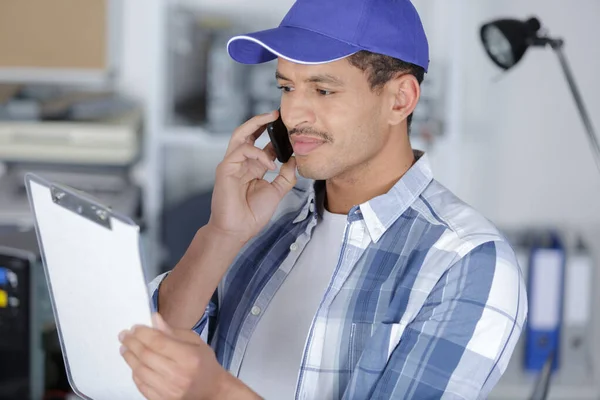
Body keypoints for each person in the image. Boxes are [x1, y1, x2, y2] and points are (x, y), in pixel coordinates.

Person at [118, 0, 528, 398]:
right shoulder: (267, 217)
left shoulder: (465, 262)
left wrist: (216, 392)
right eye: (286, 87)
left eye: (323, 90)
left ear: (400, 99)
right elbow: (155, 348)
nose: (294, 114)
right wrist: (222, 233)